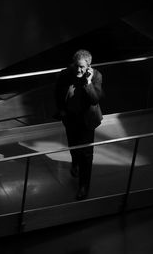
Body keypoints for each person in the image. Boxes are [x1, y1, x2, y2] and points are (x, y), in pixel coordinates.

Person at [54, 49, 104, 200]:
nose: (79, 69)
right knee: (73, 145)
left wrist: (88, 83)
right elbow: (57, 93)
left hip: (87, 120)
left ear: (89, 66)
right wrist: (62, 110)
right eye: (76, 66)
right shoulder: (65, 74)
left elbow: (95, 99)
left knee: (87, 155)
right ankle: (75, 162)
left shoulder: (96, 76)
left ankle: (84, 186)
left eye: (82, 67)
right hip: (70, 118)